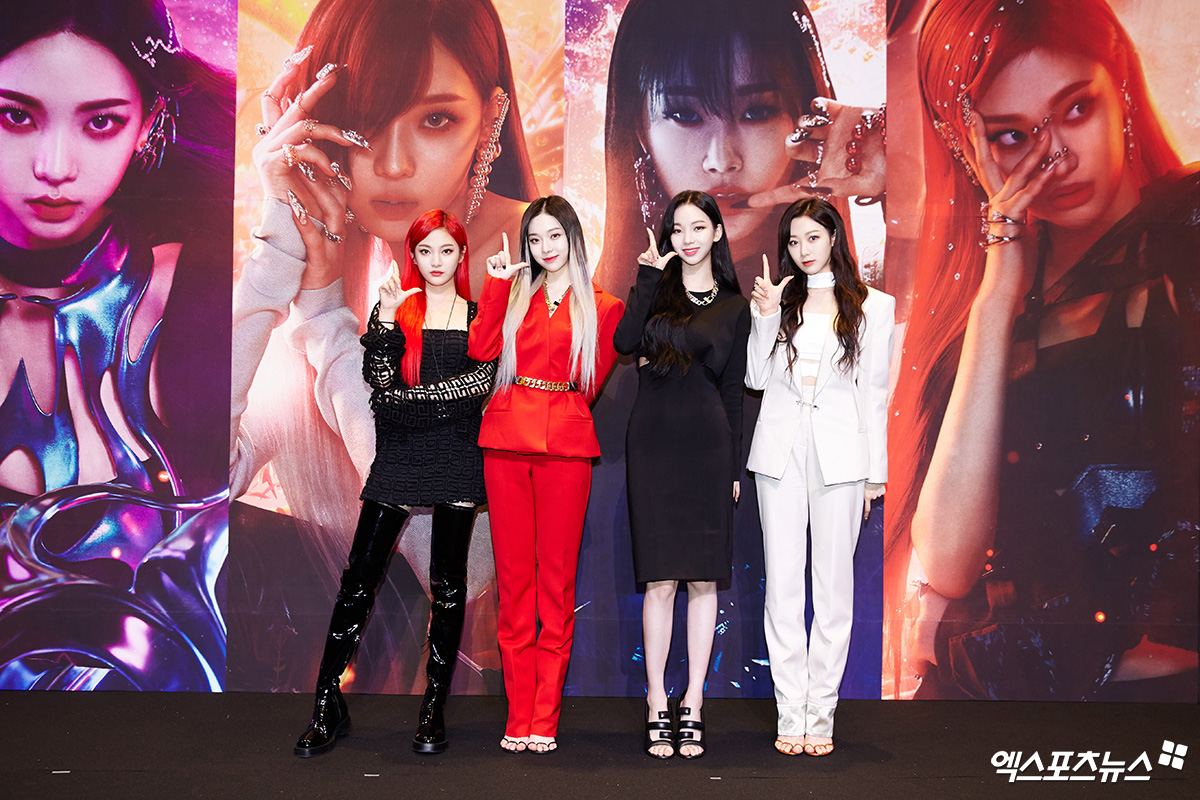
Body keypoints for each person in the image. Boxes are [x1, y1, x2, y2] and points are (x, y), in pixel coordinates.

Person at [885, 0, 1199, 701]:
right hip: (994, 708)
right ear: (968, 149)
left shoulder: (1189, 230)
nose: (1055, 158)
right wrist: (998, 295)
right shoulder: (980, 314)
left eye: (1076, 109)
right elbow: (949, 562)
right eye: (1012, 135)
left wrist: (998, 638)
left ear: (1119, 85)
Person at [230, 0, 539, 694]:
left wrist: (323, 319)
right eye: (365, 120)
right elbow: (194, 482)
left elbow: (462, 566)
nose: (393, 164)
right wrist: (276, 247)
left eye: (436, 120)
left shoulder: (533, 265)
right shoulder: (342, 256)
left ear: (490, 117)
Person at [0, 0, 234, 690]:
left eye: (100, 122)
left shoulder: (201, 294)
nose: (54, 167)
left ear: (149, 123)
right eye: (14, 116)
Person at [294, 209, 495, 757]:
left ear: (461, 255)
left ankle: (433, 709)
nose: (436, 261)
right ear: (414, 257)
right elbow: (380, 390)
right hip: (401, 457)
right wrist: (383, 320)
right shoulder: (395, 311)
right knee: (358, 579)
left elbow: (477, 387)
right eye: (425, 251)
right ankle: (326, 705)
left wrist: (412, 402)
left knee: (448, 586)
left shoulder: (480, 317)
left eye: (446, 250)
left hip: (456, 458)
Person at [468, 195, 623, 753]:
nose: (545, 248)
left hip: (566, 446)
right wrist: (493, 286)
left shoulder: (604, 306)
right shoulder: (512, 293)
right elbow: (481, 348)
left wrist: (554, 402)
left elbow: (591, 383)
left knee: (556, 585)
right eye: (535, 239)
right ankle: (518, 715)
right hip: (506, 442)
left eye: (554, 236)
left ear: (573, 238)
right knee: (514, 584)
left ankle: (545, 718)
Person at [595, 0, 884, 297]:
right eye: (686, 115)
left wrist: (895, 172)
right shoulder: (596, 308)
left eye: (757, 112)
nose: (722, 160)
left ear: (805, 113)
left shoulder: (873, 289)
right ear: (640, 129)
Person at [747, 198, 893, 755]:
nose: (803, 250)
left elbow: (874, 395)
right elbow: (755, 379)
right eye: (794, 241)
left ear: (834, 237)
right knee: (783, 587)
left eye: (813, 237)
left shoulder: (874, 307)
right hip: (779, 456)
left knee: (834, 591)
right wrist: (764, 318)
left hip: (842, 459)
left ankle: (821, 714)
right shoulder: (779, 300)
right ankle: (791, 712)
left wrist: (874, 474)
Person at [613, 191, 749, 759]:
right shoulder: (655, 288)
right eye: (678, 229)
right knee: (660, 581)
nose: (688, 238)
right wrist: (647, 278)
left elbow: (734, 392)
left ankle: (693, 700)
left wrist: (734, 467)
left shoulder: (736, 306)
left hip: (709, 447)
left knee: (703, 581)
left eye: (698, 227)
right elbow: (624, 343)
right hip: (652, 444)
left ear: (717, 232)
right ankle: (655, 700)